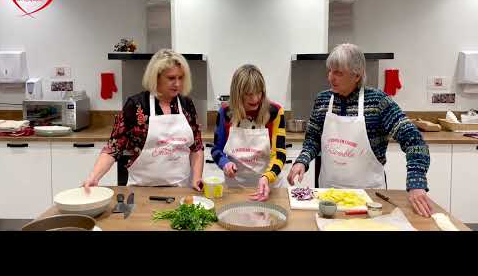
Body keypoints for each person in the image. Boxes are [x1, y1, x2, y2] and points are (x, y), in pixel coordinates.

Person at [287, 43, 433, 218]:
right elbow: (313, 139)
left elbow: (415, 142)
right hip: (328, 195)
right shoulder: (323, 100)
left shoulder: (379, 102)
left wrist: (416, 183)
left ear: (357, 75)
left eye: (338, 73)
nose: (331, 78)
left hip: (369, 197)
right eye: (330, 71)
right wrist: (302, 161)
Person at [83, 49, 204, 190]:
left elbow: (197, 147)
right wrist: (94, 177)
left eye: (181, 78)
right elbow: (114, 147)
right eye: (171, 78)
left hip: (180, 188)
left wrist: (196, 178)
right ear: (156, 77)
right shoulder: (136, 105)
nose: (177, 84)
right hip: (141, 189)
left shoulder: (186, 105)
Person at [212, 64, 286, 201]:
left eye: (259, 92)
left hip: (269, 187)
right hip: (235, 188)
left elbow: (280, 154)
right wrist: (225, 163)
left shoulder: (275, 112)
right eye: (249, 94)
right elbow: (216, 150)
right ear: (237, 94)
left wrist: (267, 177)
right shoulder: (225, 112)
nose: (255, 98)